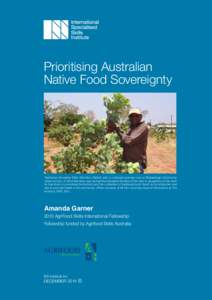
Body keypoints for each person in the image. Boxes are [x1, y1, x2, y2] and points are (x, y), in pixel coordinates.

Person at [108, 108, 149, 173]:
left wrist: (117, 129)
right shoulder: (131, 128)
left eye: (136, 116)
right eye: (131, 116)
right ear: (129, 118)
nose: (133, 118)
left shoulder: (143, 127)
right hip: (127, 163)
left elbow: (129, 141)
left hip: (136, 165)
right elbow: (123, 142)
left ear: (140, 117)